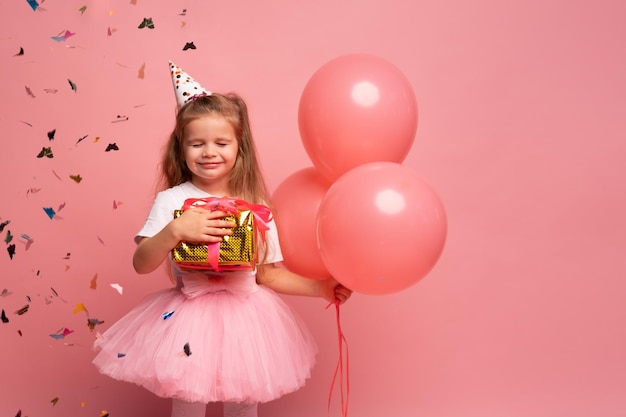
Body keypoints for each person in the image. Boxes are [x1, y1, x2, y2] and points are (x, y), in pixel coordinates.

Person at [92, 61, 352, 417]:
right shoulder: (172, 201)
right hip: (187, 315)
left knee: (245, 402)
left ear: (238, 146)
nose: (209, 152)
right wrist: (175, 231)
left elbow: (269, 274)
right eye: (196, 143)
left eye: (221, 142)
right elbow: (141, 264)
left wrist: (321, 287)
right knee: (187, 399)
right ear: (181, 148)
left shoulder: (256, 206)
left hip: (248, 319)